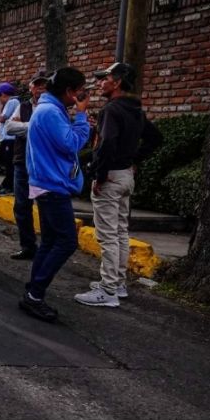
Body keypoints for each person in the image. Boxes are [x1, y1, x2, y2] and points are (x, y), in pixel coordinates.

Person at [74, 62, 162, 308]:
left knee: (107, 235)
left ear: (118, 82)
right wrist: (134, 160)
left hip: (111, 178)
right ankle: (118, 283)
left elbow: (107, 144)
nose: (101, 82)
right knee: (121, 231)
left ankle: (108, 290)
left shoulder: (112, 110)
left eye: (106, 78)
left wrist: (98, 176)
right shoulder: (135, 110)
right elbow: (156, 138)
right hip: (125, 176)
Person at [19, 67, 91, 323]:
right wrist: (81, 118)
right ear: (69, 91)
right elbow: (71, 143)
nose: (81, 97)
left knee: (50, 241)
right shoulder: (50, 112)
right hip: (52, 186)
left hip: (48, 183)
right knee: (66, 241)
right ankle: (35, 295)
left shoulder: (49, 109)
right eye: (79, 91)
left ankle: (33, 291)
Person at [3, 70, 49, 260]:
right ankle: (28, 246)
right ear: (30, 87)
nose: (40, 88)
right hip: (22, 162)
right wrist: (33, 126)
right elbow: (9, 127)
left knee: (46, 207)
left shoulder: (53, 107)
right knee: (22, 206)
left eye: (44, 85)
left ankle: (47, 248)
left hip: (43, 164)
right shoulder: (23, 106)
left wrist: (24, 126)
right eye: (37, 84)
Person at [0, 82, 21, 195]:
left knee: (10, 163)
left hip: (10, 138)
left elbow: (1, 118)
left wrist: (0, 107)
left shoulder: (12, 102)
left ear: (3, 94)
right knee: (6, 162)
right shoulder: (13, 102)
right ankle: (7, 183)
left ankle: (9, 185)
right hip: (7, 138)